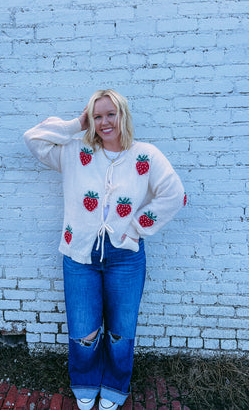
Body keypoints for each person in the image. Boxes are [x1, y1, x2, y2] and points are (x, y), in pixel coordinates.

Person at [24, 89, 185, 410]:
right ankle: (85, 379)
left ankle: (114, 383)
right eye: (97, 116)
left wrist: (138, 227)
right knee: (83, 329)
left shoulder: (146, 155)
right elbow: (34, 138)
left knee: (121, 331)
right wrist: (75, 124)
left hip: (125, 256)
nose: (104, 122)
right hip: (78, 255)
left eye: (110, 114)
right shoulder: (75, 152)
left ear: (123, 114)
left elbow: (175, 194)